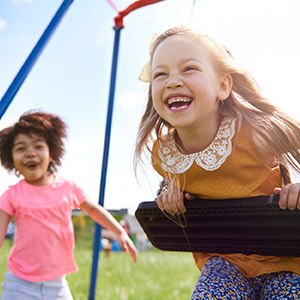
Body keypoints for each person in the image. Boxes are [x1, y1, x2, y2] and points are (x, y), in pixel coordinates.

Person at [134, 25, 300, 299]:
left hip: (284, 261)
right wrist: (169, 196)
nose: (173, 81)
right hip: (224, 263)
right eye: (160, 74)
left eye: (189, 69)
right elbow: (176, 184)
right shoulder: (163, 155)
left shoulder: (255, 133)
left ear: (222, 85)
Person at [0, 111, 138, 300]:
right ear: (11, 158)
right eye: (21, 148)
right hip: (18, 283)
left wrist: (119, 232)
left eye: (38, 146)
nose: (30, 153)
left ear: (51, 153)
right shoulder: (11, 195)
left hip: (56, 285)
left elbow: (93, 210)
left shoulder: (66, 187)